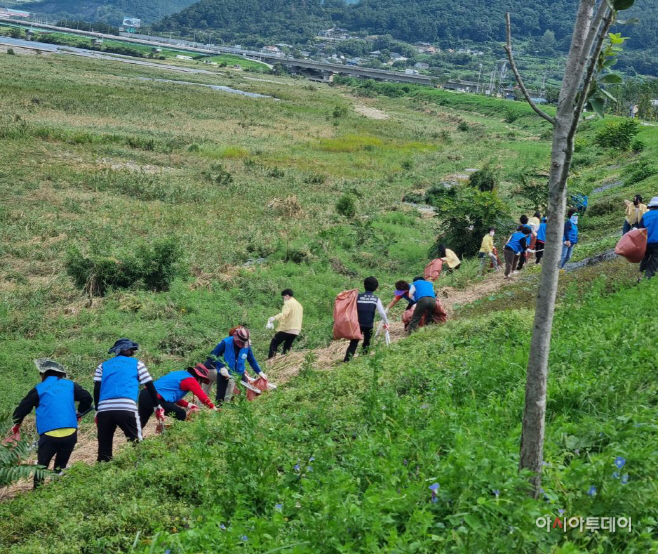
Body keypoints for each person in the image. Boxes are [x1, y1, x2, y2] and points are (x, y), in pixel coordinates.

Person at [10, 359, 92, 488]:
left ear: (43, 374)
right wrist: (79, 413)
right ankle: (57, 490)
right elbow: (87, 398)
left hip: (49, 435)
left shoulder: (39, 389)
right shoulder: (70, 385)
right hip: (70, 433)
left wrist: (16, 424)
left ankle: (37, 492)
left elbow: (22, 408)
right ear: (60, 374)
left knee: (41, 467)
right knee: (60, 468)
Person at [94, 339, 164, 462]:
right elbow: (150, 387)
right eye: (131, 350)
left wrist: (97, 410)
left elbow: (97, 389)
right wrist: (156, 406)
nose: (132, 352)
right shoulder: (137, 364)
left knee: (104, 449)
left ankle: (104, 471)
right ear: (127, 350)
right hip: (126, 407)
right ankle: (140, 467)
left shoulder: (103, 366)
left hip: (104, 409)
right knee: (137, 443)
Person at [138, 363, 217, 428]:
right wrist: (213, 408)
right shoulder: (191, 379)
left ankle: (134, 443)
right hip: (154, 398)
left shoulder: (179, 374)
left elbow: (171, 396)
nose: (201, 383)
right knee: (181, 414)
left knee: (140, 423)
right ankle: (175, 432)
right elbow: (202, 397)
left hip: (144, 394)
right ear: (199, 377)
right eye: (202, 380)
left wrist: (188, 405)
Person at [210, 327, 266, 403]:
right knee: (221, 396)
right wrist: (221, 367)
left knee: (243, 391)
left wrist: (259, 372)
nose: (242, 345)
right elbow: (213, 355)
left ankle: (241, 407)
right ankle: (219, 410)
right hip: (225, 372)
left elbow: (251, 359)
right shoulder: (226, 342)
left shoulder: (247, 345)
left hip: (239, 372)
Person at [344, 276, 389, 362]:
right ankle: (364, 359)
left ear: (364, 286)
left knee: (354, 342)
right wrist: (386, 322)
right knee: (367, 342)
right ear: (376, 288)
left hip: (357, 325)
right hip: (369, 324)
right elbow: (382, 313)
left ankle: (347, 360)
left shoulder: (358, 297)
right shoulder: (376, 299)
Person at [267, 289, 304, 359]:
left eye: (283, 297)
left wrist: (274, 318)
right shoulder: (299, 305)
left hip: (287, 328)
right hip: (296, 330)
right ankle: (286, 361)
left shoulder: (288, 303)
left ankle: (271, 360)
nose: (284, 299)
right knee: (287, 346)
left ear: (287, 296)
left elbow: (284, 314)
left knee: (274, 342)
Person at [638, 197, 658, 279]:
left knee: (645, 258)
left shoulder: (645, 216)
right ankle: (648, 277)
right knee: (655, 259)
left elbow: (640, 230)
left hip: (646, 243)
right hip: (657, 243)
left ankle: (640, 275)